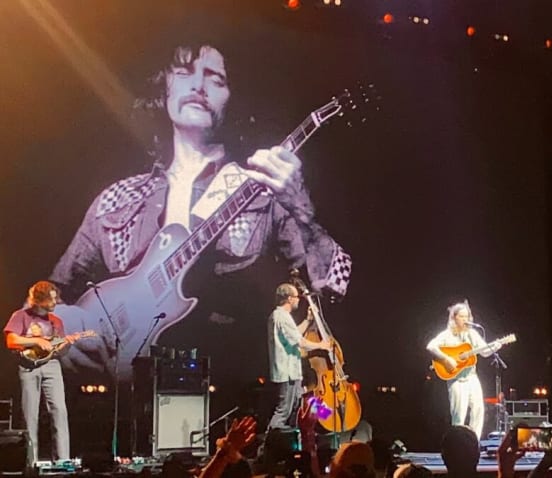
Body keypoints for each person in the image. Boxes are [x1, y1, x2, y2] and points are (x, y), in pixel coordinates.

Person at [48, 40, 351, 379]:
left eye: (216, 79)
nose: (198, 86)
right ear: (164, 87)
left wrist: (302, 209)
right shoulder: (117, 199)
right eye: (184, 72)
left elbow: (334, 287)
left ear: (234, 97)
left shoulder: (263, 191)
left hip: (225, 386)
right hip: (119, 397)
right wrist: (62, 333)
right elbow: (50, 295)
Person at [4, 281, 76, 461]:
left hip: (51, 365)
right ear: (39, 300)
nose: (55, 303)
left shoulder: (56, 322)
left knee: (59, 410)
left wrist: (65, 345)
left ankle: (63, 460)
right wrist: (36, 341)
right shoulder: (21, 316)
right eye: (51, 300)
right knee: (30, 415)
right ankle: (31, 461)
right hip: (28, 367)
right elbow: (11, 341)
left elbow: (59, 350)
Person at [263, 283, 331, 461]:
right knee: (283, 412)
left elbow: (294, 334)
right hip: (287, 373)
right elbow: (300, 341)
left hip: (291, 372)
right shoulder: (281, 316)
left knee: (293, 411)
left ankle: (284, 451)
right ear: (288, 298)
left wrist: (308, 320)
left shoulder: (282, 316)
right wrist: (321, 346)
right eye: (296, 298)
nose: (298, 301)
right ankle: (267, 450)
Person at [426, 302, 501, 438]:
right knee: (459, 414)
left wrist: (495, 346)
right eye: (462, 316)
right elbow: (431, 346)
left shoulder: (472, 333)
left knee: (478, 409)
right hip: (457, 380)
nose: (465, 319)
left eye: (467, 316)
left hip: (472, 377)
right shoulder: (447, 335)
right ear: (454, 318)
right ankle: (457, 444)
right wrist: (446, 359)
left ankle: (474, 442)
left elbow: (484, 352)